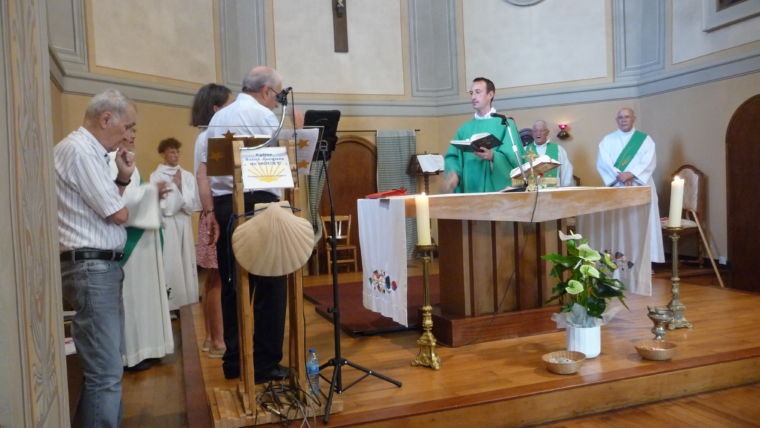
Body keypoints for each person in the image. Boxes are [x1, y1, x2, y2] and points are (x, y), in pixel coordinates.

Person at [199, 66, 292, 382]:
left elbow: (211, 170)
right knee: (271, 283)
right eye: (278, 97)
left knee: (232, 283)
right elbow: (277, 168)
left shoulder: (218, 118)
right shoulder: (265, 118)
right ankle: (265, 364)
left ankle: (235, 361)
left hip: (227, 205)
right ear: (267, 91)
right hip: (262, 201)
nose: (277, 103)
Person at [56, 88, 136, 427]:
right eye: (127, 126)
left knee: (105, 369)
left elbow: (106, 209)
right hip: (91, 269)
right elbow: (117, 214)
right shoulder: (79, 151)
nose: (129, 135)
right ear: (106, 119)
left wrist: (121, 177)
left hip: (98, 266)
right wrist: (128, 202)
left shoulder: (90, 153)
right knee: (105, 373)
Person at [112, 138, 174, 372]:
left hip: (144, 242)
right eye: (127, 129)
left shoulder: (128, 160)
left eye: (134, 130)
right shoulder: (109, 160)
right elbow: (116, 204)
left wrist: (150, 194)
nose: (132, 136)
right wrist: (150, 192)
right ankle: (134, 353)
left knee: (145, 297)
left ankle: (149, 348)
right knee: (134, 299)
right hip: (131, 244)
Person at [192, 83, 233, 357]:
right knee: (219, 279)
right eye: (229, 105)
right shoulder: (210, 137)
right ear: (216, 109)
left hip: (208, 212)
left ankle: (210, 336)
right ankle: (219, 340)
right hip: (213, 211)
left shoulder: (203, 136)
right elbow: (204, 176)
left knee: (212, 278)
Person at [596, 107, 665, 263]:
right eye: (620, 117)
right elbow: (603, 162)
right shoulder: (608, 140)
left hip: (641, 185)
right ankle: (619, 260)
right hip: (617, 187)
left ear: (633, 119)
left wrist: (632, 174)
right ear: (616, 120)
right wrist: (620, 176)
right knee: (620, 224)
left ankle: (646, 262)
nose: (623, 120)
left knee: (642, 224)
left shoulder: (645, 140)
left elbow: (649, 161)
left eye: (627, 117)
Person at [443, 77, 524, 193]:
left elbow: (516, 161)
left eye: (478, 92)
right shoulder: (464, 129)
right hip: (469, 190)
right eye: (471, 93)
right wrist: (454, 172)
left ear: (490, 94)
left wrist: (493, 156)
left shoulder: (505, 124)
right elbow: (452, 157)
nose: (473, 97)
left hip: (496, 192)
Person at [150, 137, 200, 313]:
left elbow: (191, 203)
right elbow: (164, 207)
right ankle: (172, 304)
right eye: (171, 151)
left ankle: (188, 302)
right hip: (169, 224)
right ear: (163, 154)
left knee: (186, 261)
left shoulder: (186, 175)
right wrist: (176, 187)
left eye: (177, 151)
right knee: (171, 261)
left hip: (184, 222)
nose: (176, 155)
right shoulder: (156, 176)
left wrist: (179, 188)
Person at [527, 120, 574, 187]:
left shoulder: (558, 150)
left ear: (547, 132)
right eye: (535, 131)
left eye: (541, 130)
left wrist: (563, 189)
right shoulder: (525, 150)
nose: (538, 133)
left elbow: (566, 171)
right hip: (531, 193)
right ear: (532, 133)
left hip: (553, 193)